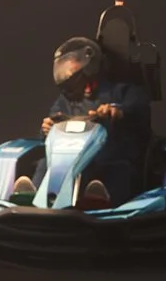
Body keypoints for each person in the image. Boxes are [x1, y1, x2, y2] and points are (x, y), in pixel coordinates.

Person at [34, 33, 150, 208]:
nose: (84, 88)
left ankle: (100, 204)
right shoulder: (67, 101)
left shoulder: (124, 91)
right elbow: (50, 127)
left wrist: (117, 112)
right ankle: (33, 197)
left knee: (118, 170)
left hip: (112, 156)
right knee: (45, 163)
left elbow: (139, 110)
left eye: (83, 79)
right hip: (75, 160)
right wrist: (47, 129)